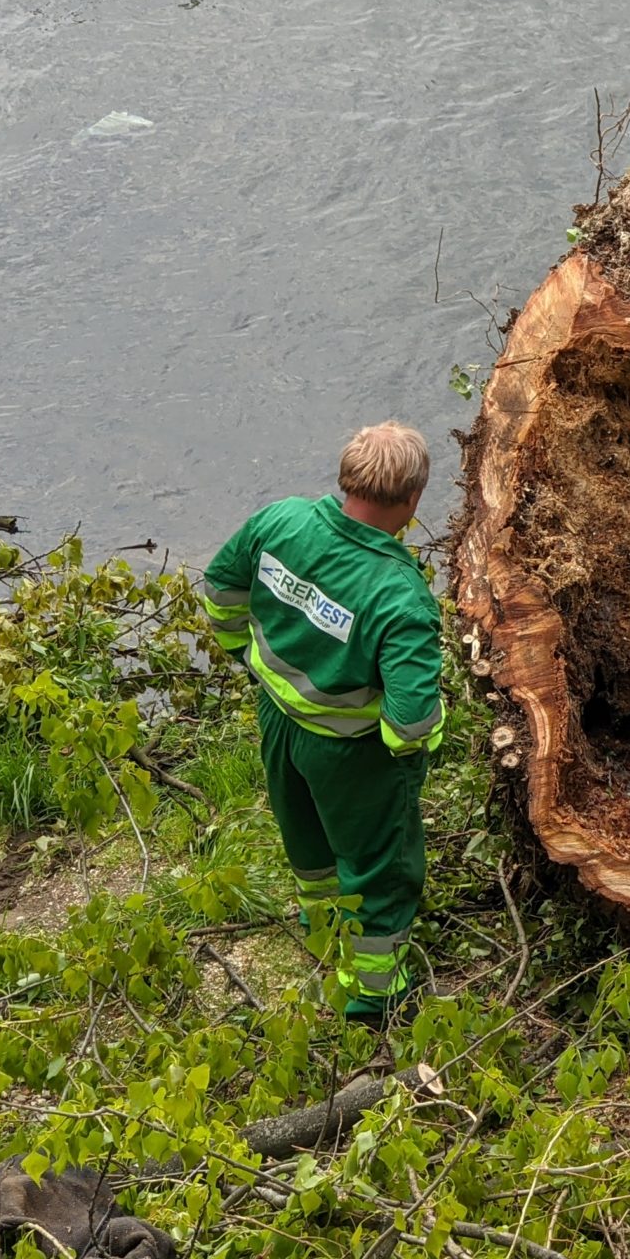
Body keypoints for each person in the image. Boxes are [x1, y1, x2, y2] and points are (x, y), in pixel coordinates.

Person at [201, 422, 446, 1018]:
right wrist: (413, 763)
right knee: (380, 870)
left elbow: (219, 594)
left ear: (346, 478)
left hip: (279, 720)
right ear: (412, 501)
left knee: (309, 847)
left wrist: (253, 661)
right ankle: (374, 997)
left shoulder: (279, 521)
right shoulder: (400, 597)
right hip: (350, 752)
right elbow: (411, 725)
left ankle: (322, 938)